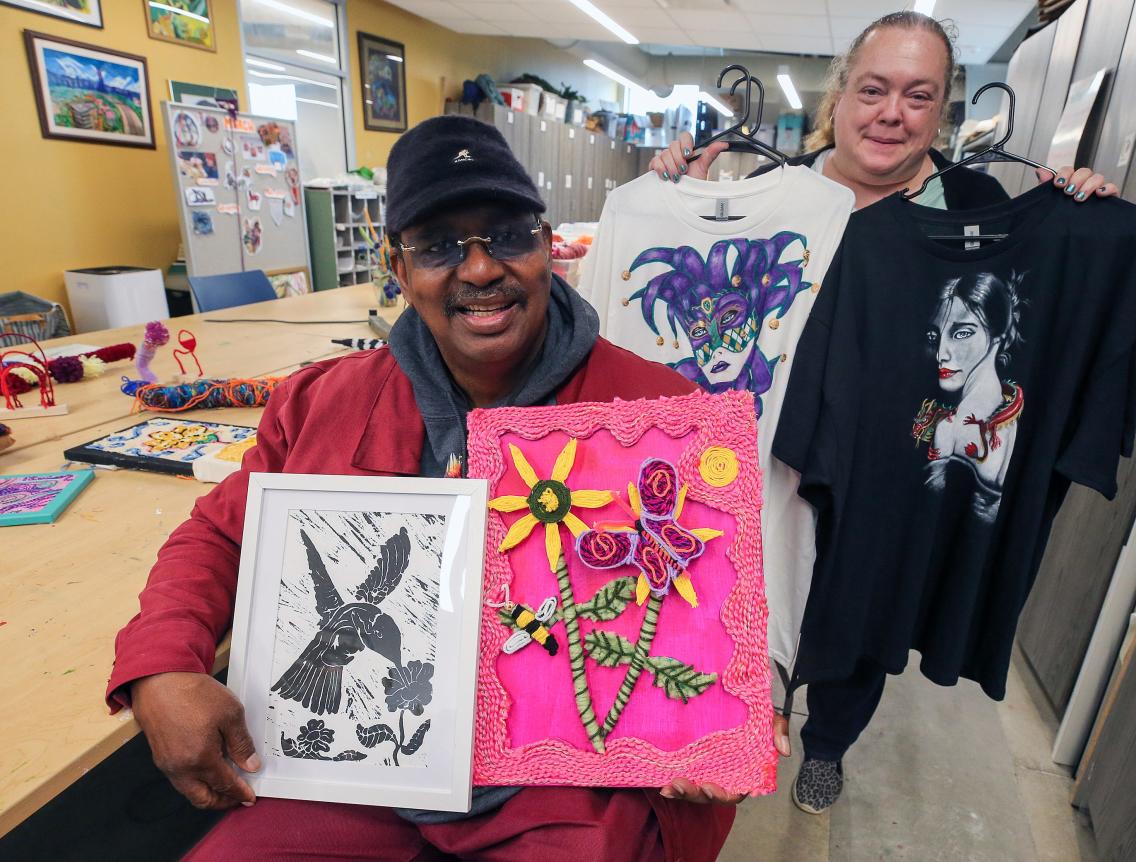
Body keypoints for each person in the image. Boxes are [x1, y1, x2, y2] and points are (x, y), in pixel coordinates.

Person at [106, 115, 751, 861]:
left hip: (562, 788)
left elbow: (713, 614)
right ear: (399, 267)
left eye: (507, 235)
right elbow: (219, 534)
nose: (479, 270)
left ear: (547, 247)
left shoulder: (659, 417)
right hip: (361, 769)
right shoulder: (322, 403)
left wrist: (717, 727)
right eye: (439, 245)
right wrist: (162, 664)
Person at [647, 11, 1118, 815]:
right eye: (873, 89)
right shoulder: (776, 193)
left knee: (864, 611)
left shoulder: (971, 201)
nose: (891, 113)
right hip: (772, 454)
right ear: (841, 96)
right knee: (750, 596)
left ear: (942, 113)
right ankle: (739, 718)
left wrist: (1083, 205)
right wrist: (669, 192)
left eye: (918, 95)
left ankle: (828, 741)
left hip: (896, 459)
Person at [913, 272, 1025, 523]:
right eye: (935, 336)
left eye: (961, 333)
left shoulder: (951, 428)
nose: (941, 354)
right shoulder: (951, 425)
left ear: (999, 334)